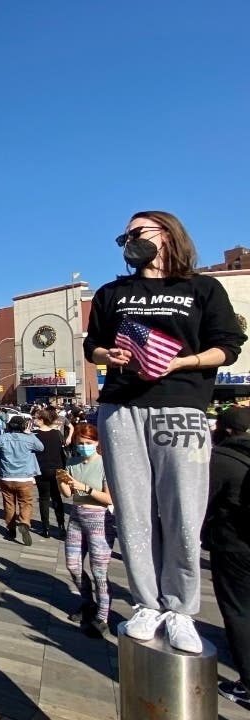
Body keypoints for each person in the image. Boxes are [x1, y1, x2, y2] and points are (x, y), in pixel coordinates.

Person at [84, 210, 246, 653]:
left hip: (181, 405)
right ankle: (146, 603)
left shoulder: (202, 288)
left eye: (137, 233)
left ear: (167, 234)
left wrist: (183, 362)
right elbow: (92, 343)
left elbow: (227, 347)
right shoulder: (113, 292)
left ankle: (180, 607)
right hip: (122, 407)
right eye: (125, 236)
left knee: (183, 510)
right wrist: (107, 355)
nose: (129, 241)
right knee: (133, 511)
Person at [205, 407, 250, 709]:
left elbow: (200, 501)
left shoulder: (220, 459)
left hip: (234, 546)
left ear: (226, 430)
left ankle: (247, 682)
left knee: (238, 612)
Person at [57, 423, 115, 638]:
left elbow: (109, 498)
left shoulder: (105, 465)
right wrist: (62, 480)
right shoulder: (72, 462)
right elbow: (66, 494)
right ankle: (87, 603)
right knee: (73, 565)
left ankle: (103, 615)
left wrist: (85, 488)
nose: (84, 447)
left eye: (88, 443)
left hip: (99, 519)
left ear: (97, 443)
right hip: (76, 516)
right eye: (80, 443)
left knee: (99, 570)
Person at [0, 415, 43, 546]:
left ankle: (11, 528)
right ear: (23, 427)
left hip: (6, 476)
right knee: (26, 503)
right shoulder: (29, 439)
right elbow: (41, 448)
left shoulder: (0, 439)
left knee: (9, 504)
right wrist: (30, 434)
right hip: (25, 477)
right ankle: (24, 522)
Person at [32, 408, 68, 538]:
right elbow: (62, 453)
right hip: (57, 469)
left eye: (36, 418)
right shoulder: (57, 434)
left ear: (42, 420)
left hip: (41, 469)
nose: (34, 420)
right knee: (57, 497)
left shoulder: (34, 435)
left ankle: (45, 528)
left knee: (44, 498)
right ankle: (61, 526)